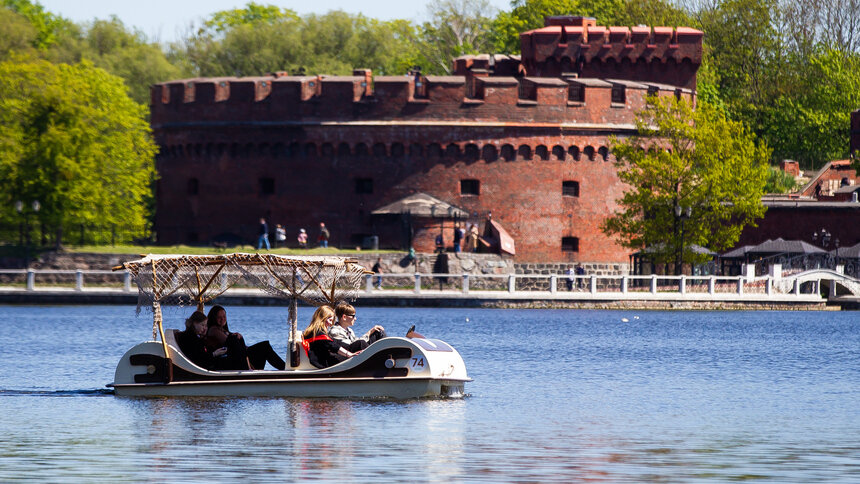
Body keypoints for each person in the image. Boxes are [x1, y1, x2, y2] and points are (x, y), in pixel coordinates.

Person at [205, 305, 285, 370]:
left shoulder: (223, 329)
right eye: (219, 317)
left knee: (264, 347)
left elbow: (240, 346)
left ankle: (283, 368)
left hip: (238, 356)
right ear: (214, 318)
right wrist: (237, 337)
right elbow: (230, 342)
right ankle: (284, 368)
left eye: (224, 316)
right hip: (229, 360)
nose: (222, 319)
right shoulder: (213, 329)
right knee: (264, 347)